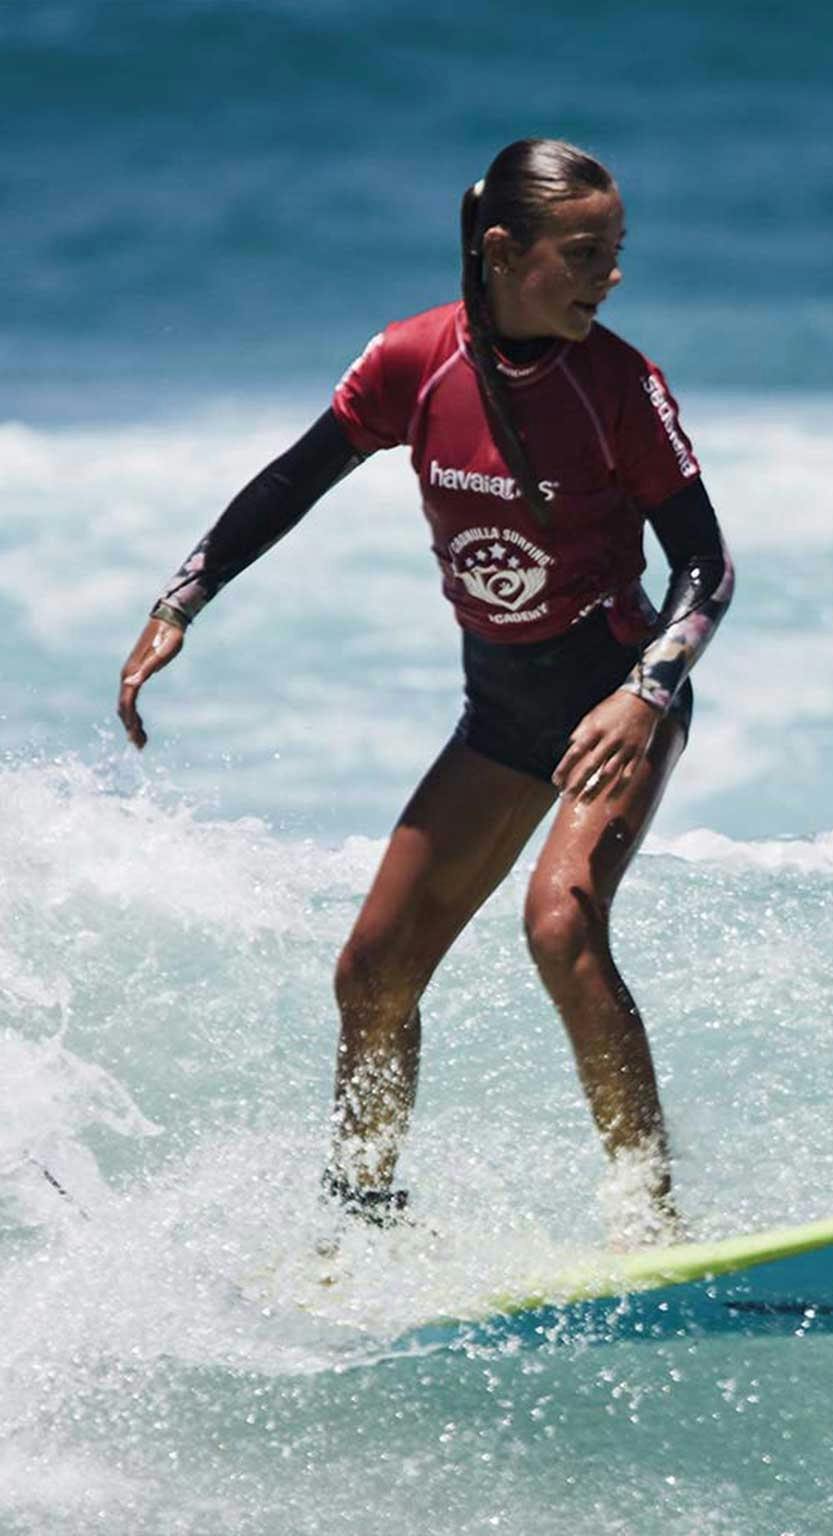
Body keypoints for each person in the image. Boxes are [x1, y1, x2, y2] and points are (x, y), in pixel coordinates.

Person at [114, 138, 733, 1250]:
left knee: (560, 924)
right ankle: (360, 1225)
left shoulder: (619, 386)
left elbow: (707, 565)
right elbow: (295, 476)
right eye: (585, 252)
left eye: (616, 251)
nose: (610, 274)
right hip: (501, 714)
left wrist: (646, 692)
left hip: (613, 696)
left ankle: (649, 1219)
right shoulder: (415, 362)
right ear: (503, 250)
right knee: (373, 972)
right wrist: (181, 602)